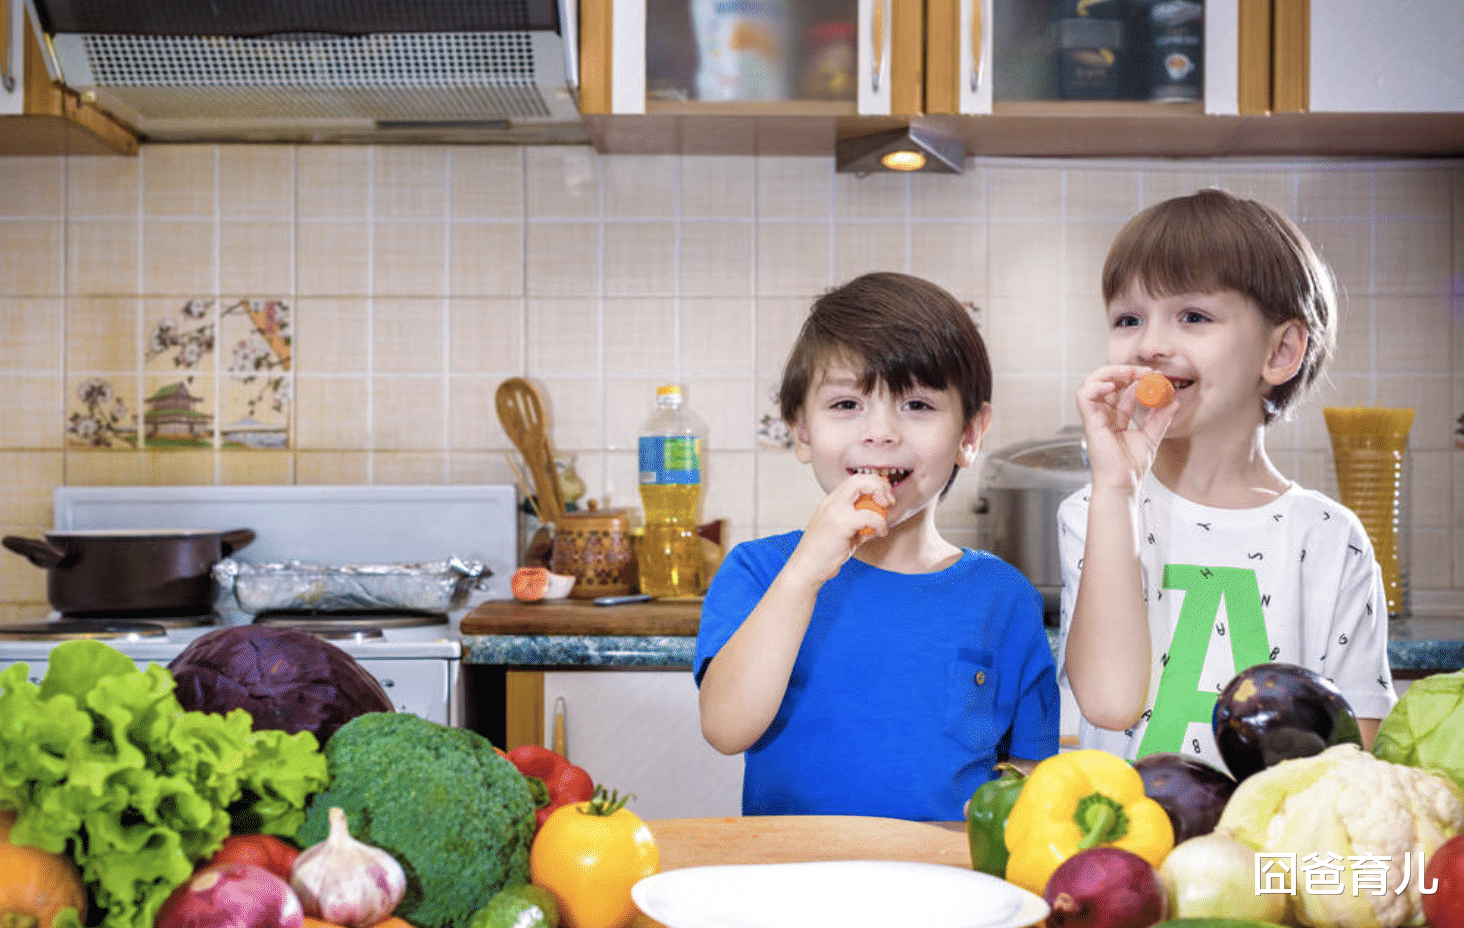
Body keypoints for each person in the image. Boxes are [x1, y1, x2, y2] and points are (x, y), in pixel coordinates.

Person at [695, 271, 1060, 821]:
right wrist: (806, 573)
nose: (881, 431)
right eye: (846, 405)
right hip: (789, 884)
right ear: (800, 429)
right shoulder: (762, 571)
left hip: (948, 890)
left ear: (970, 433)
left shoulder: (1004, 597)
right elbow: (724, 728)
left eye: (916, 405)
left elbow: (1030, 780)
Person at [1058, 189, 1396, 768]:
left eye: (1193, 317)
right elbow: (1110, 705)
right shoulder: (1096, 510)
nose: (1152, 345)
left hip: (1268, 848)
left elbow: (1356, 743)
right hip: (1129, 843)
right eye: (1129, 318)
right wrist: (1116, 490)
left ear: (1282, 351)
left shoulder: (1326, 536)